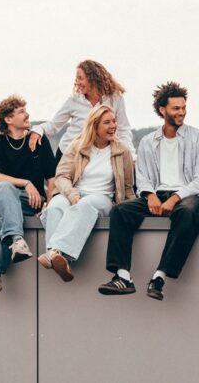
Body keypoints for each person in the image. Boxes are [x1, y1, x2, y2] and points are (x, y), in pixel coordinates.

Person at [98, 82, 199, 301]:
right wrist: (150, 195)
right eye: (176, 108)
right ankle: (122, 276)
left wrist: (175, 198)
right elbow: (142, 177)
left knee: (187, 212)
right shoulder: (148, 142)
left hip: (189, 196)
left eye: (183, 107)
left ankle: (159, 276)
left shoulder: (198, 138)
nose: (181, 112)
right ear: (162, 110)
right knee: (120, 211)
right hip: (158, 195)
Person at [38, 105, 135, 282]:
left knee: (85, 204)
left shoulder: (122, 151)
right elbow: (61, 176)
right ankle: (60, 258)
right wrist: (72, 195)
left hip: (102, 197)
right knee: (55, 206)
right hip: (74, 193)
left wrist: (133, 209)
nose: (113, 126)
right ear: (95, 125)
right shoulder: (77, 146)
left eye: (114, 121)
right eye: (107, 122)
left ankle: (52, 253)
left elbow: (128, 186)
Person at [0, 95, 56, 297]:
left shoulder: (39, 141)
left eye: (25, 110)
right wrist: (26, 183)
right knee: (4, 188)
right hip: (5, 195)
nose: (27, 114)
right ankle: (17, 239)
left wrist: (50, 205)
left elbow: (52, 178)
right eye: (21, 112)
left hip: (31, 202)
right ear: (8, 119)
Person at [29, 59, 136, 168]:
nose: (77, 82)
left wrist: (131, 156)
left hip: (99, 157)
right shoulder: (74, 100)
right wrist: (39, 130)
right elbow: (54, 125)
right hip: (68, 155)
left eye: (80, 78)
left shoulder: (115, 99)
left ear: (93, 78)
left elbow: (123, 130)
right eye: (76, 79)